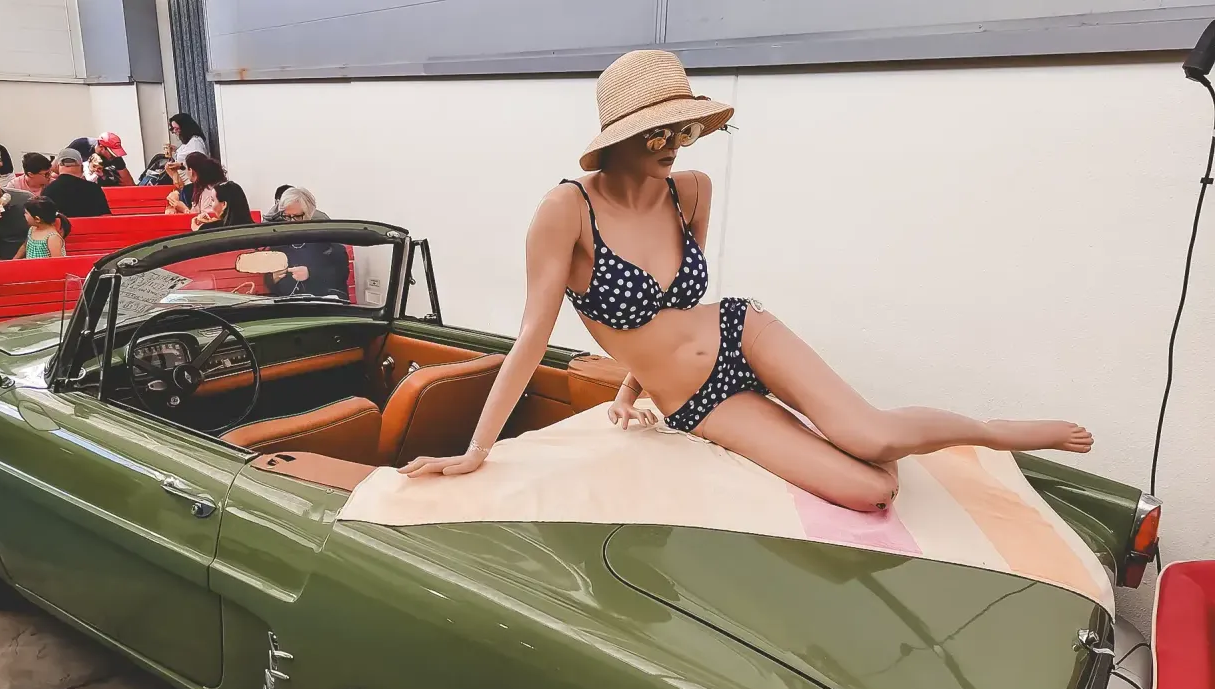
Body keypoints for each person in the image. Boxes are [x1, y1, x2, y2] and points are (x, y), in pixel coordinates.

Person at [398, 50, 1094, 511]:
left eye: (683, 131)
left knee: (873, 435)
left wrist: (633, 379)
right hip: (697, 401)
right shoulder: (567, 209)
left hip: (741, 331)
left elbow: (682, 305)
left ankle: (990, 431)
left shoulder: (691, 190)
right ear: (620, 136)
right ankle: (863, 436)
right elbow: (532, 336)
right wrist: (477, 451)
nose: (676, 146)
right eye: (660, 134)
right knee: (870, 488)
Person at [41, 148, 111, 217]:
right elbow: (106, 216)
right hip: (91, 225)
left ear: (58, 166)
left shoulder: (48, 190)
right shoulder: (94, 188)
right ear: (82, 167)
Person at [64, 132, 133, 186]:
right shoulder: (81, 145)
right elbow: (59, 167)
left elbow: (127, 181)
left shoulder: (115, 157)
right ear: (101, 147)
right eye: (112, 153)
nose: (114, 156)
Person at [181, 151, 225, 218]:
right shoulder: (202, 187)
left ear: (191, 170)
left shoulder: (208, 191)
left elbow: (207, 217)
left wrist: (183, 208)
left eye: (185, 168)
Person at [265, 185, 329, 222]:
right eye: (287, 217)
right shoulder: (271, 223)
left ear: (309, 214)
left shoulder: (322, 222)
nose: (291, 222)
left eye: (297, 217)